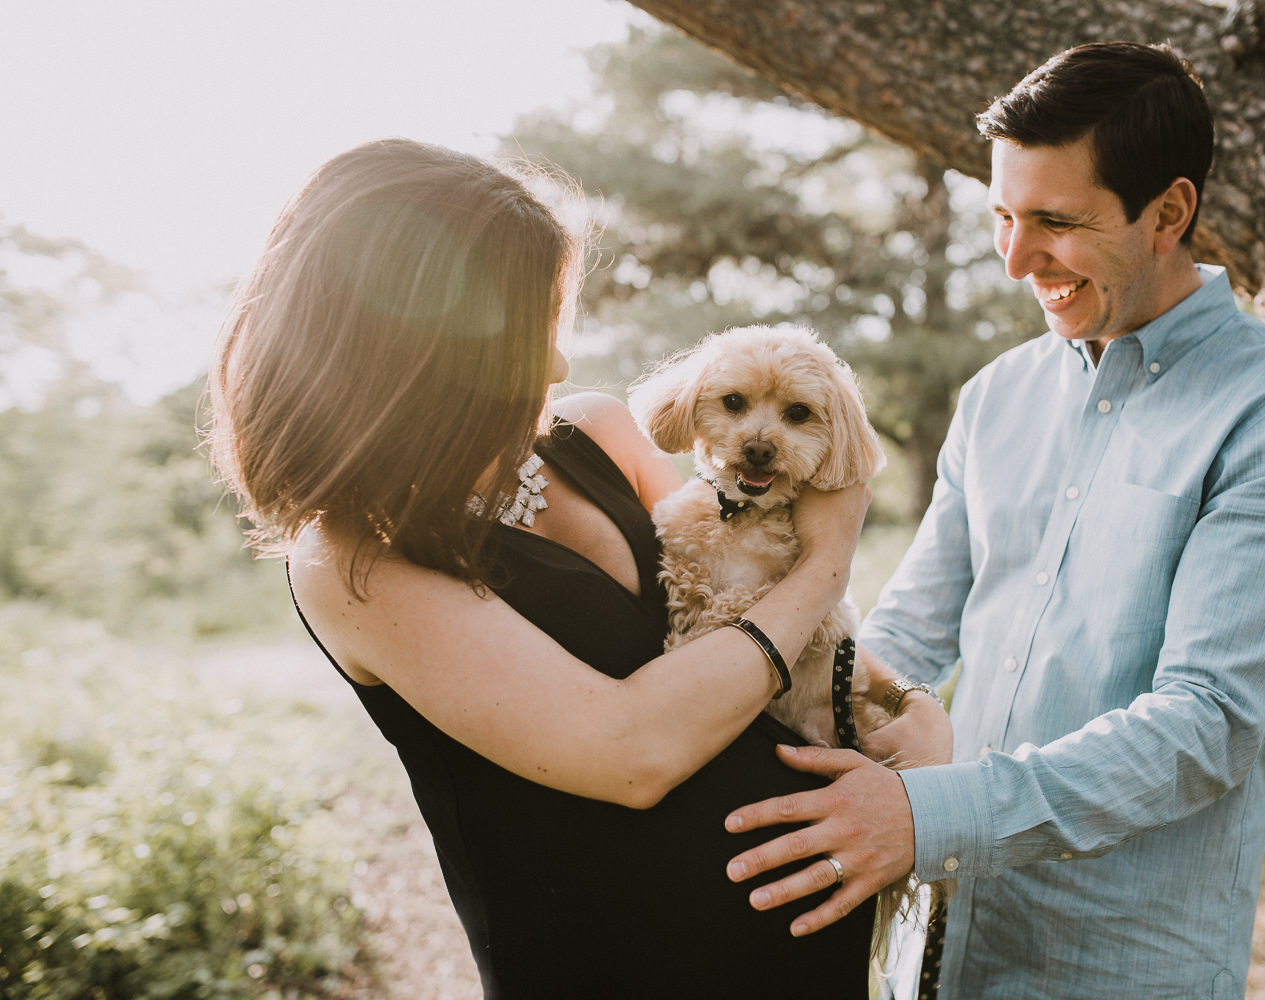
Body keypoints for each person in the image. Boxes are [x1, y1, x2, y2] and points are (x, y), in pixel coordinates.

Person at [207, 137, 946, 998]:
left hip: (804, 951)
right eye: (530, 332)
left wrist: (913, 706)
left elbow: (751, 599)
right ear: (415, 349)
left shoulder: (592, 435)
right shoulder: (355, 562)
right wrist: (830, 558)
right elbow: (633, 750)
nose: (559, 363)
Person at [721, 41, 1265, 998]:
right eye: (1003, 217)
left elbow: (1209, 723)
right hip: (927, 955)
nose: (1019, 260)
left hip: (1118, 963)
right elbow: (907, 633)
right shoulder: (995, 397)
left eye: (1056, 223)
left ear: (1170, 213)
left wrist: (926, 816)